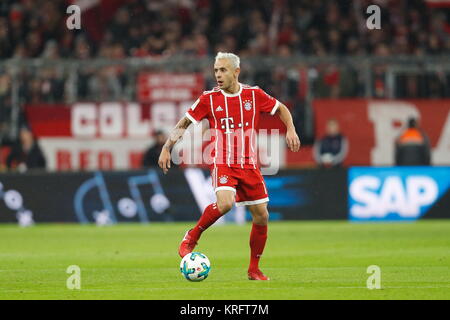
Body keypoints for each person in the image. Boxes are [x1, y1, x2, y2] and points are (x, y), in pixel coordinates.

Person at [158, 52, 301, 280]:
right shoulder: (209, 98)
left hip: (249, 164)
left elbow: (281, 108)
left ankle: (254, 269)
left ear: (236, 72)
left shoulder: (254, 95)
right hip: (223, 161)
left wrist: (291, 129)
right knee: (225, 204)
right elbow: (184, 122)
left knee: (261, 216)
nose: (218, 75)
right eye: (216, 70)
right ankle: (191, 237)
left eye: (223, 70)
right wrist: (167, 147)